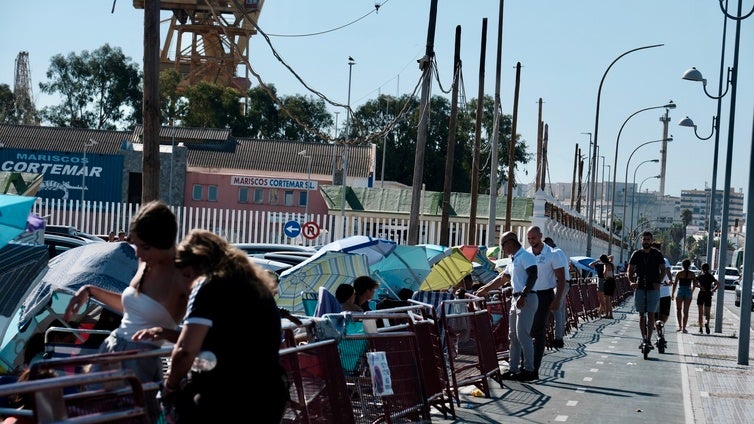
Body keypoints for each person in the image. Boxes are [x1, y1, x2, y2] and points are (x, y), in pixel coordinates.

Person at [161, 229, 287, 423]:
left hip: (223, 398)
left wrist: (170, 386)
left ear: (199, 266)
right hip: (267, 395)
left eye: (187, 275)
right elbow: (230, 340)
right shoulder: (257, 287)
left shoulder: (208, 286)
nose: (186, 285)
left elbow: (186, 351)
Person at [64, 200, 188, 384]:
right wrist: (90, 291)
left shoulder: (182, 275)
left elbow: (196, 334)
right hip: (113, 347)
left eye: (143, 247)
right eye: (135, 245)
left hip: (139, 359)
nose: (137, 253)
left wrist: (163, 333)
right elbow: (133, 308)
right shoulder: (145, 262)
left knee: (124, 410)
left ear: (163, 242)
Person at [477, 231, 539, 382]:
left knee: (523, 335)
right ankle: (513, 369)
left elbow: (533, 275)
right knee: (513, 336)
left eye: (503, 244)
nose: (503, 248)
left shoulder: (525, 256)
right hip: (515, 298)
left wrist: (524, 294)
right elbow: (503, 278)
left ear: (511, 242)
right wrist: (485, 289)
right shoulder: (513, 259)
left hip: (526, 298)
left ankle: (530, 370)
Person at [526, 226, 566, 376]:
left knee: (538, 330)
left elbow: (561, 279)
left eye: (534, 238)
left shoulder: (552, 254)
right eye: (529, 238)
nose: (531, 241)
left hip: (544, 296)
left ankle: (534, 368)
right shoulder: (527, 254)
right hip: (529, 295)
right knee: (526, 331)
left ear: (541, 236)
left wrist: (557, 300)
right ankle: (526, 364)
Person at [627, 231, 666, 350]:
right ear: (641, 241)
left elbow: (663, 270)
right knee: (641, 315)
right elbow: (630, 270)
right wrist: (631, 282)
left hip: (653, 288)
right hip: (640, 287)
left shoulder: (657, 254)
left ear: (651, 240)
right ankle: (643, 338)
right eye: (644, 240)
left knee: (651, 314)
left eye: (648, 240)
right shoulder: (636, 254)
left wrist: (658, 282)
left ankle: (648, 339)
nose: (646, 242)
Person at [544, 236, 570, 348]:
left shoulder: (555, 252)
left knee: (556, 310)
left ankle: (558, 338)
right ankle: (560, 335)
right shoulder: (560, 251)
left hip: (561, 283)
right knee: (561, 309)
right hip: (565, 282)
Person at [672, 258, 698, 333]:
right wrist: (691, 291)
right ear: (689, 265)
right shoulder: (692, 274)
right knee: (686, 311)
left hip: (680, 291)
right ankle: (684, 328)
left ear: (682, 265)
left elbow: (675, 284)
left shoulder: (679, 273)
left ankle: (680, 326)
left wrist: (673, 293)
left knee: (678, 309)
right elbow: (695, 284)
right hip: (688, 291)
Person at [695, 263, 719, 334]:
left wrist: (700, 287)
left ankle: (700, 328)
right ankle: (707, 323)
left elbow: (695, 284)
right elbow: (718, 284)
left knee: (700, 313)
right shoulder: (710, 276)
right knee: (707, 313)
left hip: (701, 294)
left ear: (701, 269)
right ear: (708, 269)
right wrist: (713, 290)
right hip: (708, 294)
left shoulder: (700, 276)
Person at [600, 254, 616, 319]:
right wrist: (607, 257)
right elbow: (612, 256)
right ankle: (611, 314)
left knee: (606, 299)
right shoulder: (611, 264)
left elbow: (605, 273)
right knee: (609, 300)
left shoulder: (606, 265)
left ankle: (606, 314)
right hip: (612, 281)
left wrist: (604, 275)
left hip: (608, 282)